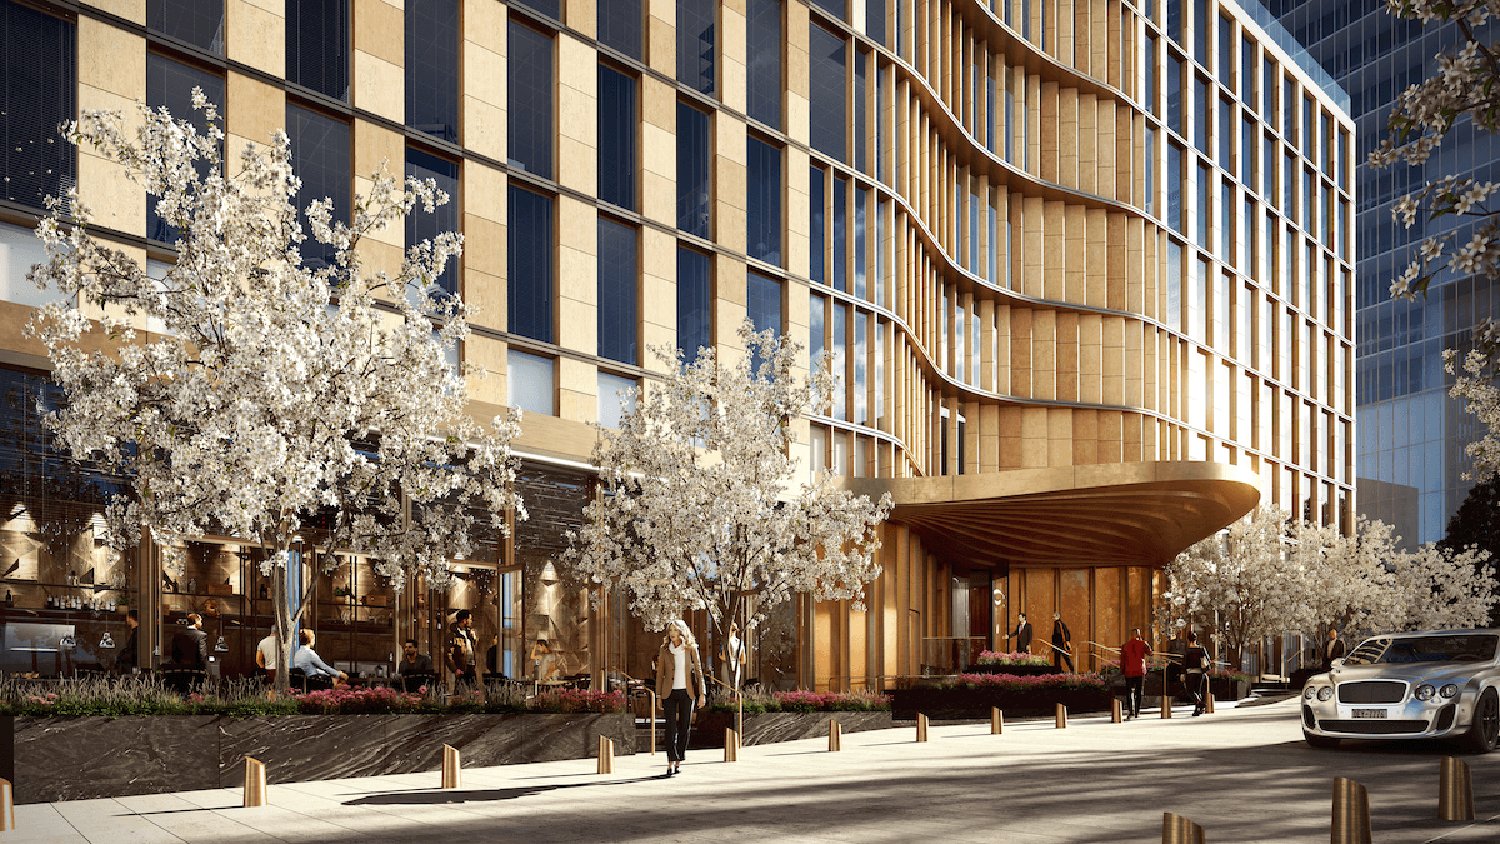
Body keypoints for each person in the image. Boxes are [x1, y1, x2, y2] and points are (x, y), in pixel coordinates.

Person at [655, 619, 706, 777]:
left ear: (682, 632)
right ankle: (670, 761)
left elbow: (699, 672)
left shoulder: (690, 648)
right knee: (670, 727)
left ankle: (679, 759)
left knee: (684, 726)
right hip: (669, 693)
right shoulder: (665, 650)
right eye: (670, 630)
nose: (672, 633)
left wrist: (702, 694)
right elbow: (660, 674)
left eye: (675, 630)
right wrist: (658, 696)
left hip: (686, 693)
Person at [1120, 628, 1153, 719]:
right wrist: (1145, 643)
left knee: (1128, 691)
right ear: (1138, 634)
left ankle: (1130, 710)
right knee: (1138, 692)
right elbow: (1150, 652)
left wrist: (1122, 670)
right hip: (1139, 670)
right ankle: (1137, 711)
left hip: (1129, 671)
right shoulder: (1142, 644)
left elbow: (1122, 660)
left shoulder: (1125, 645)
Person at [447, 609, 476, 688]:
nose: (471, 621)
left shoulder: (469, 633)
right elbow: (448, 654)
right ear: (464, 620)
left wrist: (473, 638)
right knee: (460, 690)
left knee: (473, 690)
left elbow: (472, 649)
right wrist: (454, 669)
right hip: (460, 668)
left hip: (471, 666)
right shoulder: (453, 635)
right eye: (469, 619)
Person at [1183, 631, 1210, 716]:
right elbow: (1207, 659)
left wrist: (1182, 673)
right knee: (1198, 691)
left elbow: (1184, 663)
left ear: (1188, 640)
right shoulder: (1201, 649)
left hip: (1190, 673)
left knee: (1190, 690)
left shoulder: (1187, 650)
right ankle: (1198, 709)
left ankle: (1199, 701)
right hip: (1200, 673)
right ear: (1196, 639)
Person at [722, 622, 747, 692]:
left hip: (731, 665)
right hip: (732, 665)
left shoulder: (738, 642)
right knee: (731, 687)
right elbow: (743, 660)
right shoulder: (739, 642)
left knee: (731, 687)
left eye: (733, 629)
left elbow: (743, 660)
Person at [116, 609, 139, 673]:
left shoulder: (137, 633)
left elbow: (133, 650)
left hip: (132, 665)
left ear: (130, 617)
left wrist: (122, 656)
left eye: (127, 616)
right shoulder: (136, 632)